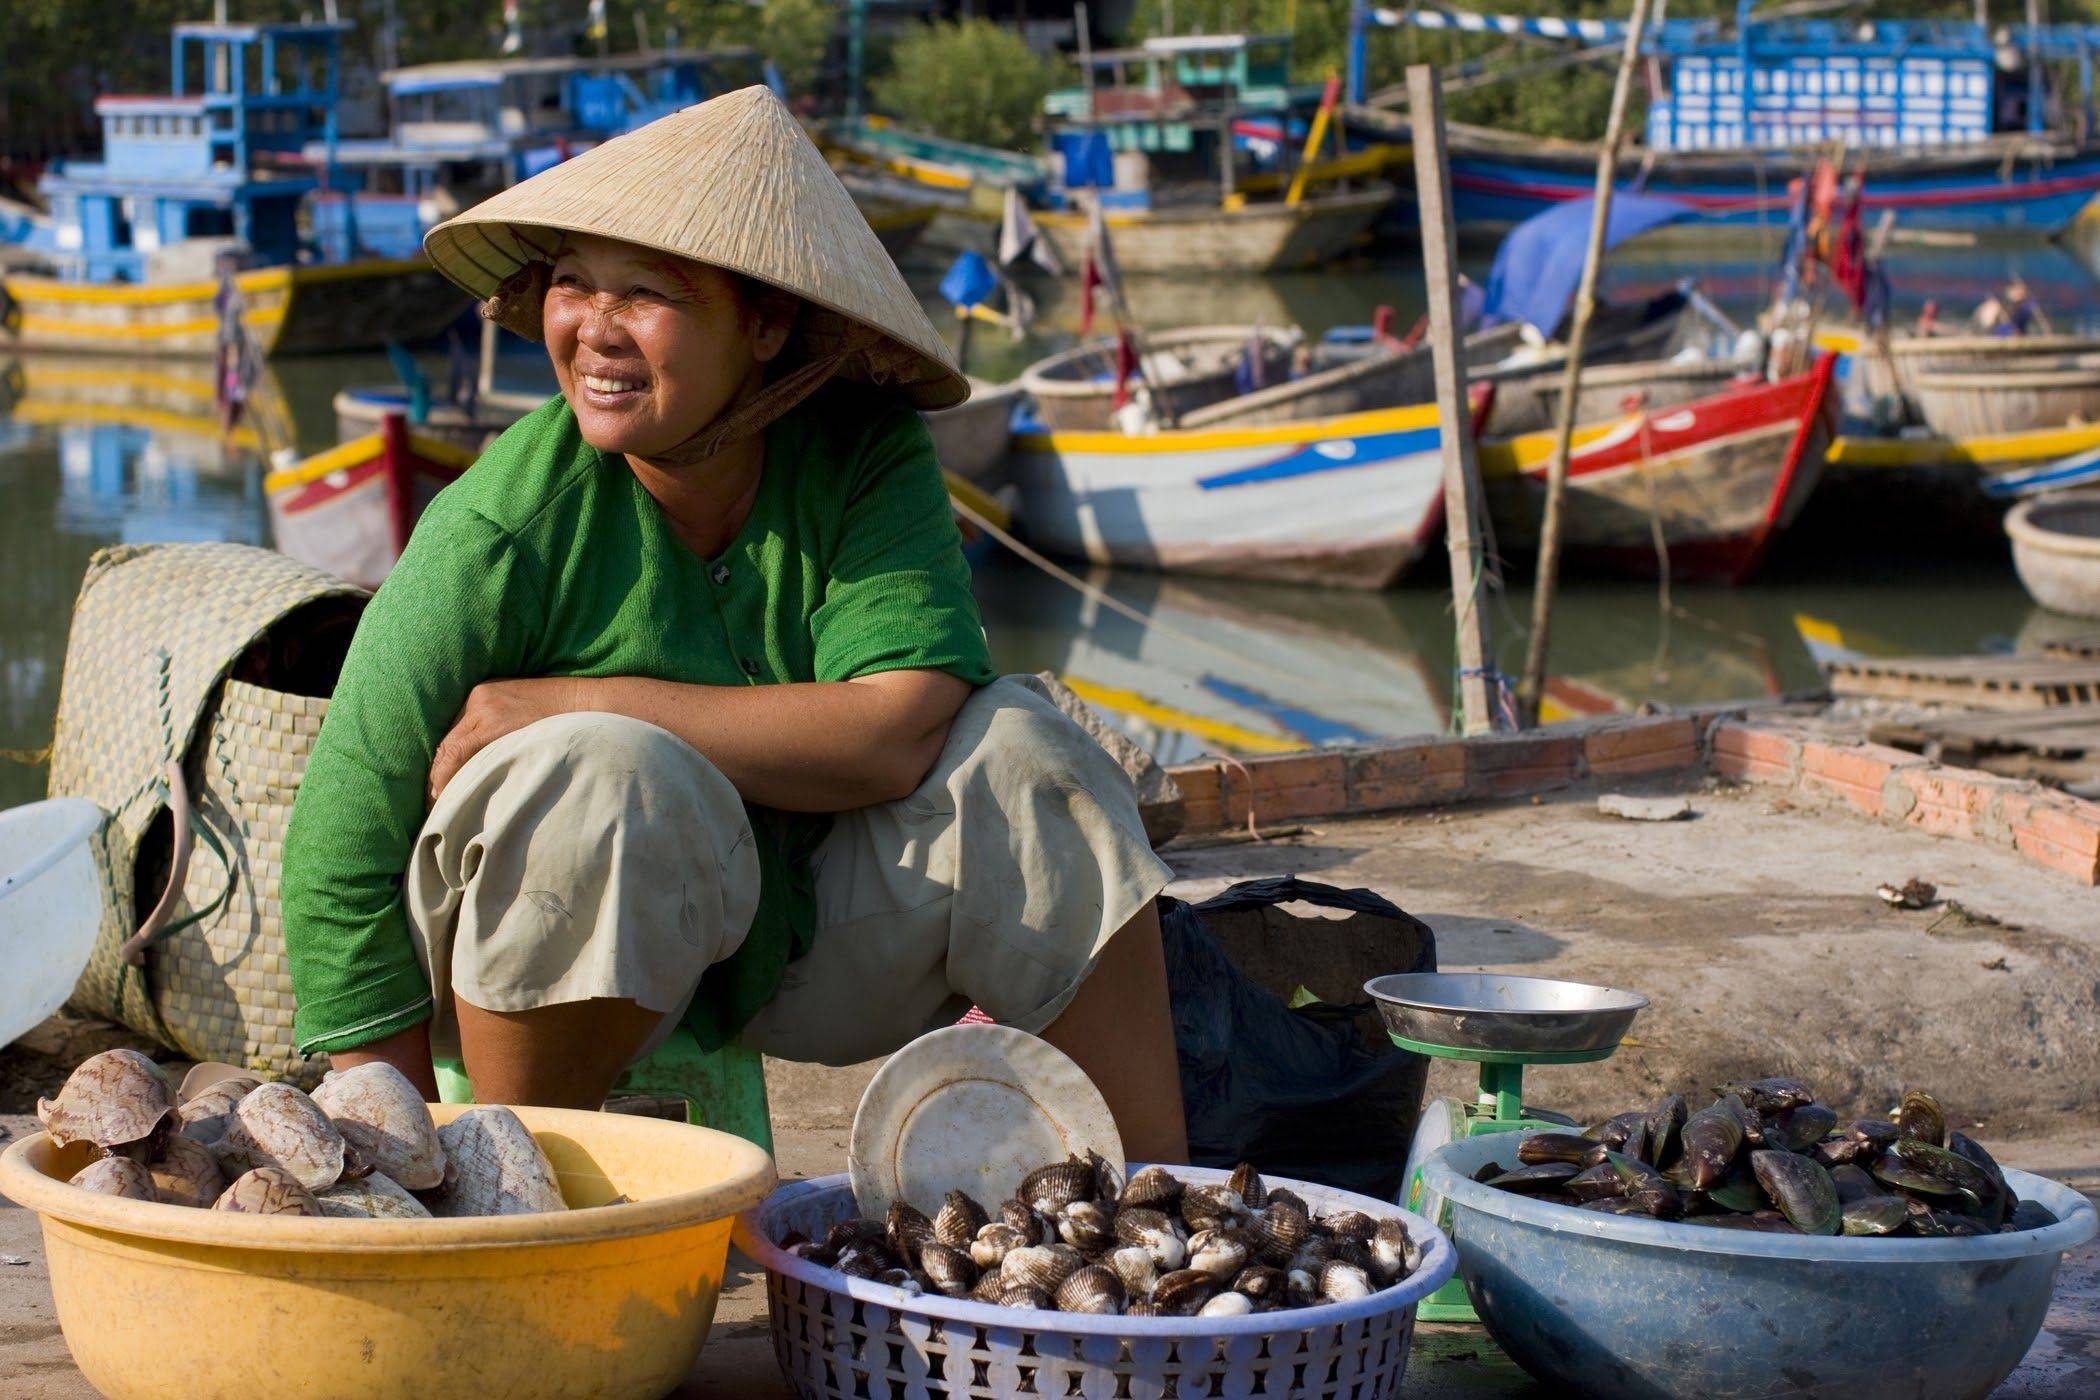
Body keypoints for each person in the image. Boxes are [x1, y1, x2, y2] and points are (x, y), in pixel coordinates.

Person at [279, 88, 1188, 1162]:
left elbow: (899, 727)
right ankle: (510, 1205)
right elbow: (335, 850)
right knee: (601, 774)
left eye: (646, 293)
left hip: (802, 929)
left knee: (1032, 753)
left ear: (765, 324)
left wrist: (585, 694)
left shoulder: (862, 452)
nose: (594, 330)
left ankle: (1160, 1210)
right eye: (572, 282)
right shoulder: (497, 525)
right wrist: (392, 1154)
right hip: (543, 950)